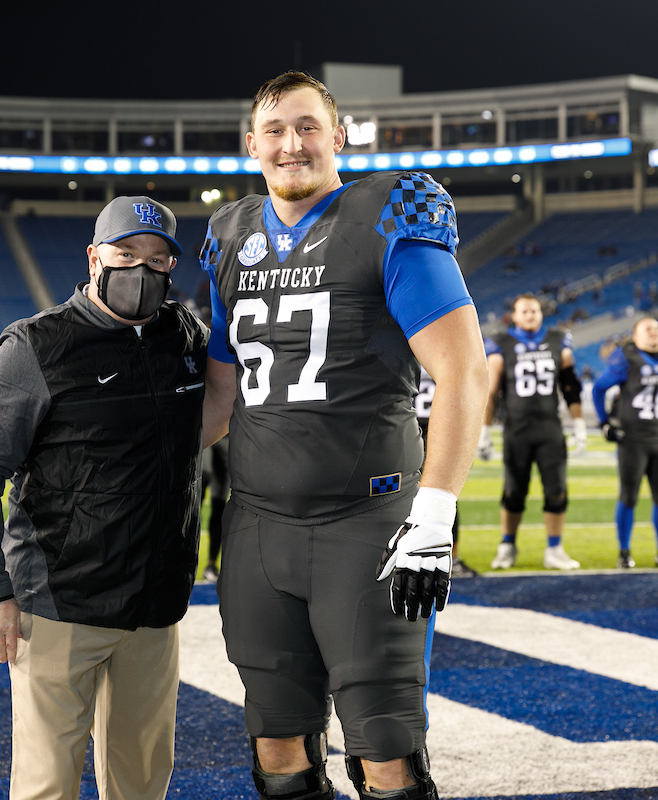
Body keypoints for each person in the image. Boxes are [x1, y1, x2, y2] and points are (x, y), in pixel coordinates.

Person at [200, 72, 488, 800]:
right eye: (275, 130)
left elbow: (463, 373)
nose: (290, 144)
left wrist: (434, 513)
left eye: (306, 127)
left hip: (369, 524)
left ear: (339, 136)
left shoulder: (387, 217)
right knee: (276, 751)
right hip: (258, 525)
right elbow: (219, 394)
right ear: (252, 143)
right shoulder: (230, 236)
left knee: (387, 756)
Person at [0, 196, 208, 800]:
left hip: (154, 602)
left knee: (143, 782)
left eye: (156, 260)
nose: (141, 272)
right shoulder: (36, 346)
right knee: (47, 783)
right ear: (95, 257)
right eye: (126, 255)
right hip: (61, 600)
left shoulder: (184, 335)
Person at [483, 293, 586, 571]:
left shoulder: (557, 339)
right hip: (516, 428)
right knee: (514, 491)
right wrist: (484, 429)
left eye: (535, 311)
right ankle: (507, 545)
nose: (530, 315)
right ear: (514, 316)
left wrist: (578, 423)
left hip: (549, 427)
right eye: (525, 311)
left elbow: (569, 384)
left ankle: (554, 548)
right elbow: (491, 390)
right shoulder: (501, 342)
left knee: (557, 490)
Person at [591, 317, 658, 568]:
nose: (654, 332)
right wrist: (605, 423)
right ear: (635, 337)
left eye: (657, 328)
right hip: (632, 440)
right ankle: (624, 551)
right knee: (628, 496)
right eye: (647, 329)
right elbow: (599, 389)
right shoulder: (627, 357)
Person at [415, 365, 477, 577]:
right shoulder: (441, 351)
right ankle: (451, 557)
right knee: (442, 494)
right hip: (427, 428)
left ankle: (452, 557)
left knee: (443, 495)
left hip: (428, 428)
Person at [200, 435, 229, 582]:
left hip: (226, 437)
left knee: (219, 506)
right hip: (207, 431)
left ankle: (211, 564)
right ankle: (180, 558)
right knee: (194, 503)